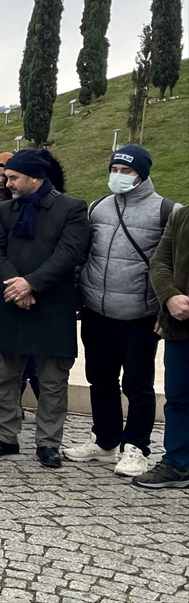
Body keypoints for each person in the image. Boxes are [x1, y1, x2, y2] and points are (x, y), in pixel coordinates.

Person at [66, 146, 181, 476]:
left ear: (142, 173)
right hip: (97, 311)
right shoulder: (98, 207)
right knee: (99, 378)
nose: (118, 174)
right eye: (115, 167)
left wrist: (165, 309)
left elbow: (174, 264)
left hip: (140, 314)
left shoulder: (165, 211)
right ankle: (105, 440)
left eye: (126, 170)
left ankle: (136, 447)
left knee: (138, 383)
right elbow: (87, 254)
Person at [0, 149, 90, 469]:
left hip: (51, 305)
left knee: (53, 380)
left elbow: (68, 254)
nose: (6, 181)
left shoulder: (71, 208)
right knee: (3, 376)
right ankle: (5, 436)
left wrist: (32, 284)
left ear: (35, 177)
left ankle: (48, 443)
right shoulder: (3, 210)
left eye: (13, 177)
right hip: (10, 302)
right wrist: (15, 285)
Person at [135, 204, 189, 488]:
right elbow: (160, 262)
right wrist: (169, 298)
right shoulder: (181, 216)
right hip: (181, 327)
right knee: (179, 399)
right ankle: (177, 463)